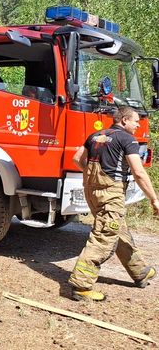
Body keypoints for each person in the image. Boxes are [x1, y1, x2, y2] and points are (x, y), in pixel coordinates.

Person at [68, 106, 158, 301]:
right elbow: (139, 172)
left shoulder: (95, 135)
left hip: (92, 192)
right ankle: (82, 285)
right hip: (111, 194)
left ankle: (139, 270)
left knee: (118, 230)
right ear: (124, 120)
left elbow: (77, 159)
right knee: (105, 235)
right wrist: (154, 199)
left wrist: (91, 178)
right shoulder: (127, 139)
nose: (137, 125)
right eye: (135, 121)